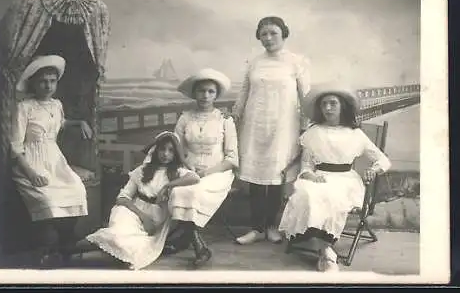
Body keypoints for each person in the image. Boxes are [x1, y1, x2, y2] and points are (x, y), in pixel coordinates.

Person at [278, 82, 392, 272]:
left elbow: (383, 160)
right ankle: (326, 249)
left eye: (333, 103)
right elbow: (306, 163)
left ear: (342, 107)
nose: (327, 108)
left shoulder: (356, 134)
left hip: (346, 180)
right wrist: (310, 175)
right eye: (323, 104)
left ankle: (324, 248)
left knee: (331, 196)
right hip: (318, 176)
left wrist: (375, 169)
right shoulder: (313, 132)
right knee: (306, 194)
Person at [65, 131, 200, 270]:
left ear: (176, 154)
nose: (165, 154)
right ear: (156, 150)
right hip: (131, 212)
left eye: (171, 151)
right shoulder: (143, 170)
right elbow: (122, 198)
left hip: (156, 219)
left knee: (131, 253)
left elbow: (195, 178)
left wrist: (168, 185)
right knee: (117, 237)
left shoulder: (177, 172)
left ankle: (69, 257)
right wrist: (143, 217)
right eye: (162, 149)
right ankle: (67, 250)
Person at [232, 16, 311, 245]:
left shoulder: (297, 62)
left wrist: (305, 127)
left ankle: (272, 226)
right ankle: (256, 228)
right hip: (255, 124)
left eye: (273, 33)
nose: (268, 38)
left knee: (277, 175)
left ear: (283, 34)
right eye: (263, 34)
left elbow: (305, 96)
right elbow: (244, 92)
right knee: (256, 178)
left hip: (284, 126)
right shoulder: (254, 62)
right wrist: (235, 115)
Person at [10, 55, 94, 268]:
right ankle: (47, 248)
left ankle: (66, 242)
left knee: (77, 190)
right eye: (42, 81)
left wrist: (79, 122)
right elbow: (15, 146)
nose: (48, 85)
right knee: (47, 200)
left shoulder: (57, 105)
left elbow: (60, 123)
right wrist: (31, 173)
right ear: (33, 83)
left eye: (52, 81)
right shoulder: (24, 107)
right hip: (31, 163)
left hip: (55, 161)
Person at [162, 68, 239, 268]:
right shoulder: (185, 118)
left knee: (195, 191)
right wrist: (188, 166)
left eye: (210, 91)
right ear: (194, 93)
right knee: (180, 190)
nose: (205, 96)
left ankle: (185, 239)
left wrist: (207, 172)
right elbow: (177, 149)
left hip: (218, 172)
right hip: (188, 169)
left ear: (216, 95)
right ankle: (199, 246)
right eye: (201, 91)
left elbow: (232, 158)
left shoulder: (225, 120)